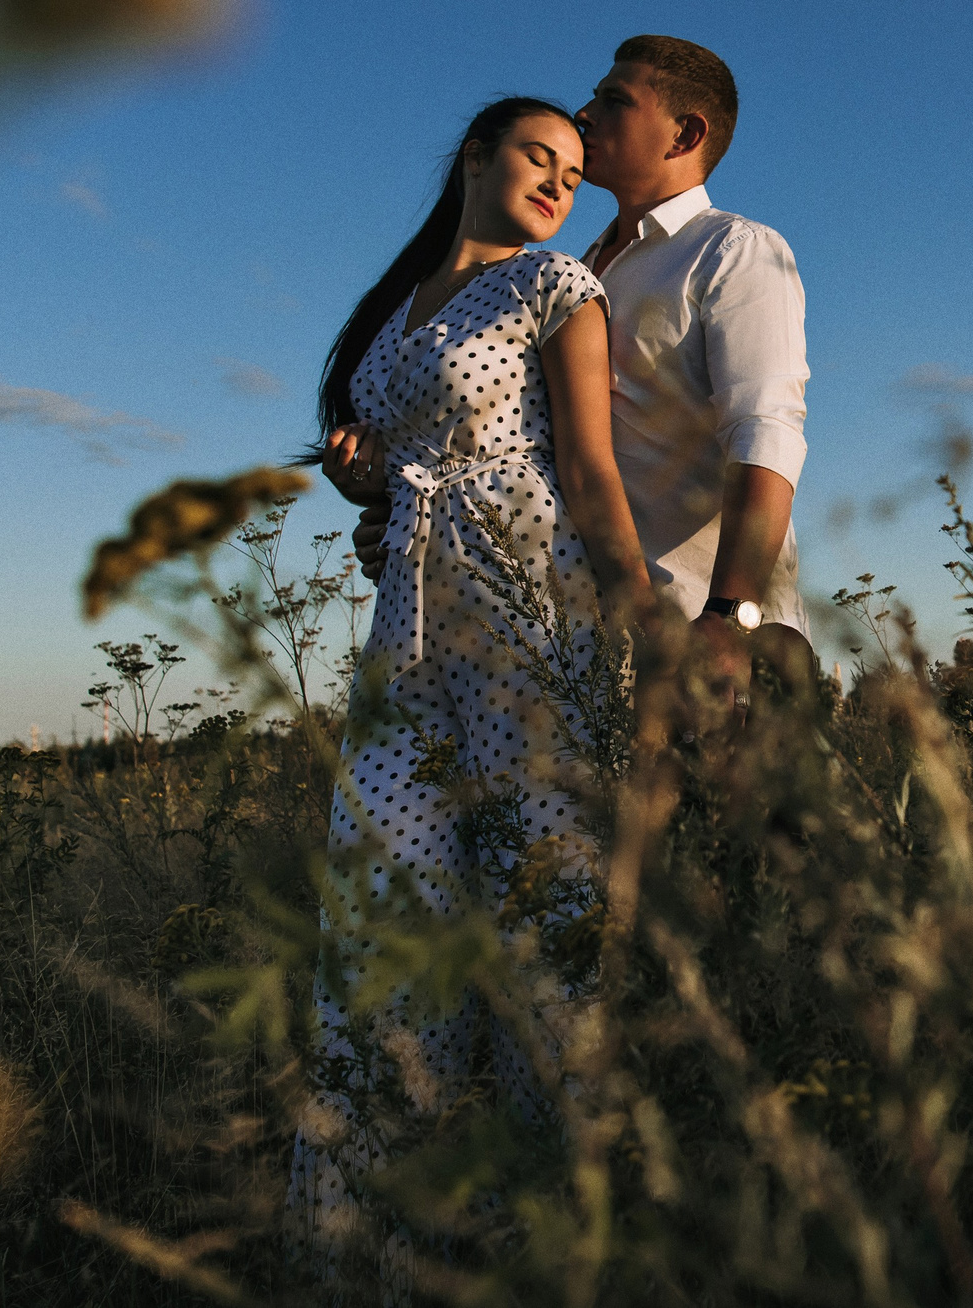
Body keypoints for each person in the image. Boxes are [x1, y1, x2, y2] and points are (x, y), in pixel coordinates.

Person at [289, 95, 652, 1285]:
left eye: (573, 169)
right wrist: (362, 489)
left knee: (544, 914)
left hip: (526, 611)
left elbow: (590, 472)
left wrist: (644, 643)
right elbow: (398, 486)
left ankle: (564, 1241)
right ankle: (385, 1240)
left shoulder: (558, 288)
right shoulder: (391, 316)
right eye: (537, 156)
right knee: (385, 905)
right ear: (477, 156)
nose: (558, 180)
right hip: (409, 629)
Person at [357, 34, 811, 707]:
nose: (585, 113)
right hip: (590, 647)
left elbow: (766, 433)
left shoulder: (732, 251)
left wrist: (728, 616)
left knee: (745, 816)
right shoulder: (565, 274)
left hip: (714, 642)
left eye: (614, 99)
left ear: (685, 133)